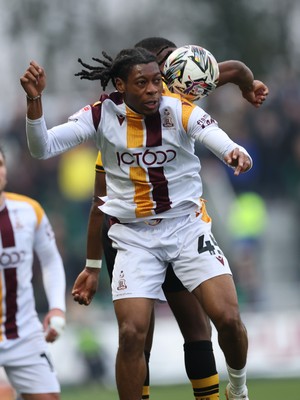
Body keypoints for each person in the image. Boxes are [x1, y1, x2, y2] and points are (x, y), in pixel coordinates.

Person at [20, 47, 253, 400]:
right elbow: (43, 147)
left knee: (228, 318)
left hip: (186, 227)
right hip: (133, 237)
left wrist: (235, 152)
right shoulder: (100, 115)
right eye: (141, 83)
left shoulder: (178, 109)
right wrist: (35, 104)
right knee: (131, 334)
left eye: (157, 82)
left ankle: (237, 387)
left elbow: (214, 135)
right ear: (120, 85)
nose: (152, 90)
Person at [0, 145, 66, 400]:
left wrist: (57, 307)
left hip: (24, 333)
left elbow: (50, 261)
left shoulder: (30, 211)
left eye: (1, 164)